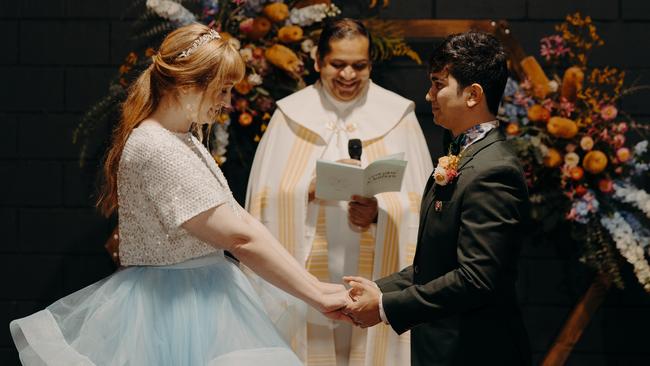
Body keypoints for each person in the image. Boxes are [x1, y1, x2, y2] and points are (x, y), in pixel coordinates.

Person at [9, 23, 350, 366]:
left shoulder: (183, 138)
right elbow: (240, 237)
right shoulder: (157, 147)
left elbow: (240, 219)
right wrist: (315, 294)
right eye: (222, 90)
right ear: (188, 85)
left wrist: (313, 285)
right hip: (177, 306)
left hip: (203, 292)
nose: (227, 102)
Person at [246, 18, 433, 366]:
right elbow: (260, 203)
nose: (348, 75)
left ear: (371, 64)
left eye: (359, 66)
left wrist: (379, 212)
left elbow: (422, 205)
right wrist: (308, 190)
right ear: (318, 62)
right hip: (308, 277)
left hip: (378, 268)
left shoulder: (397, 115)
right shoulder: (290, 115)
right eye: (338, 65)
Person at [342, 31, 532, 365]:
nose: (429, 95)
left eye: (438, 84)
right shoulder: (464, 154)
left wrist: (385, 308)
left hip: (475, 351)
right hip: (444, 348)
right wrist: (376, 288)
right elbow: (434, 266)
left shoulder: (494, 170)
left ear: (472, 95)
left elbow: (476, 279)